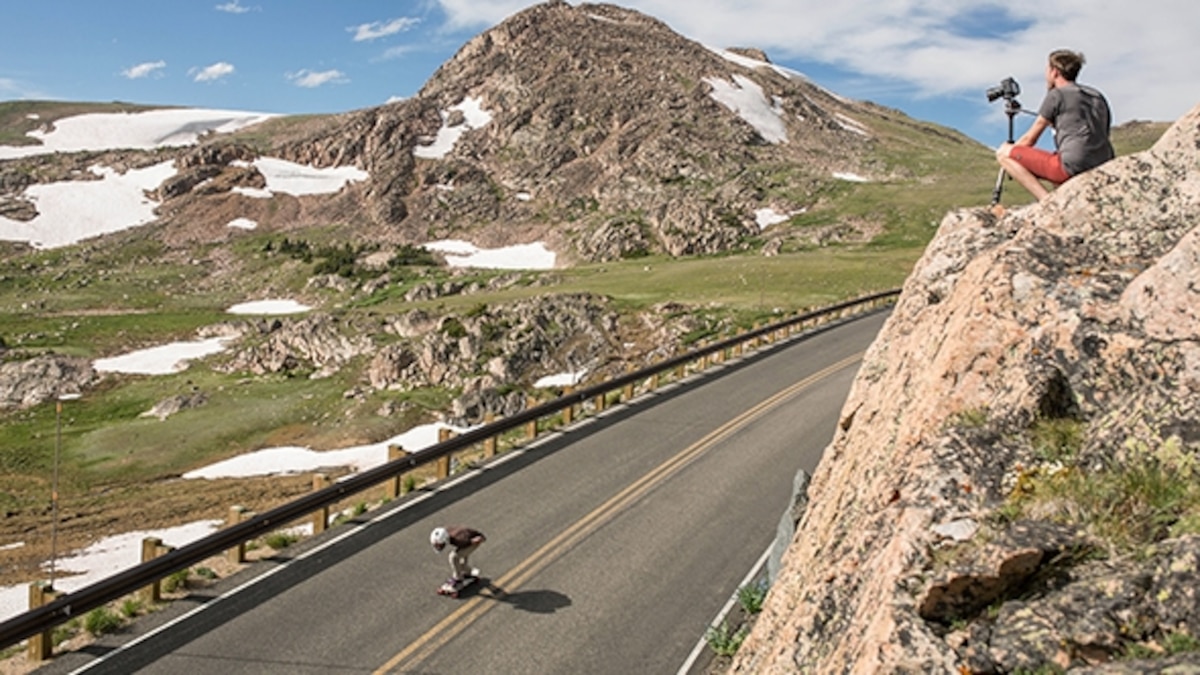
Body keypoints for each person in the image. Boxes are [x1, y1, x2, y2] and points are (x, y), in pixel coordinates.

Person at [996, 49, 1114, 203]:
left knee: (1003, 153)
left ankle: (1047, 201)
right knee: (1057, 157)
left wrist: (1014, 152)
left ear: (1054, 71)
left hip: (1073, 164)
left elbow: (1029, 140)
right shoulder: (1097, 96)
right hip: (1104, 162)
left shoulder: (1056, 95)